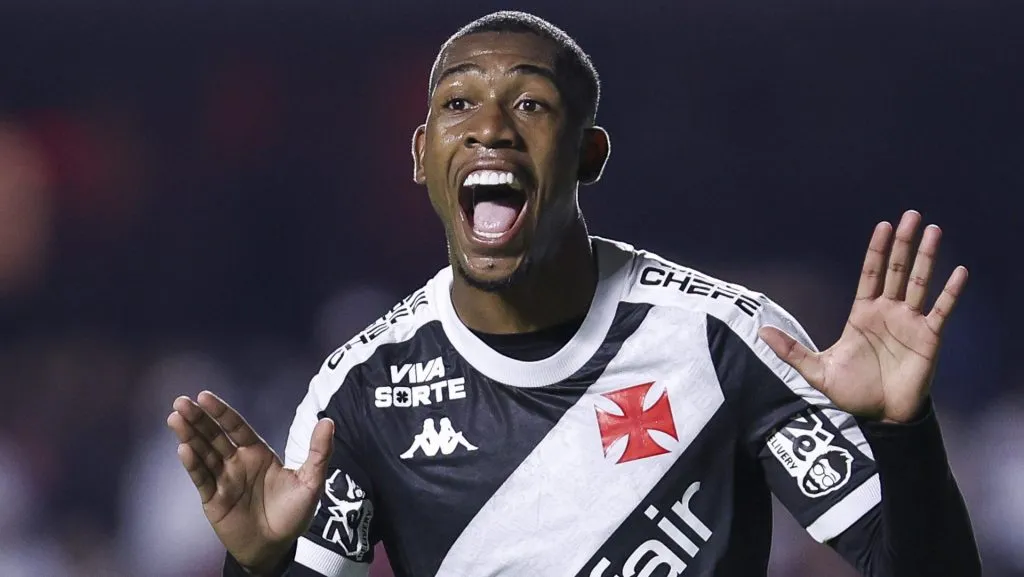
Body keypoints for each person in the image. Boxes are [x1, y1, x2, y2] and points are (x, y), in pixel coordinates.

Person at [167, 11, 981, 577]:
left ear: (588, 153)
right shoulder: (363, 393)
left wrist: (901, 433)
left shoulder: (725, 338)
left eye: (529, 102)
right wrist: (256, 563)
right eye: (459, 103)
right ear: (422, 154)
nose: (491, 127)